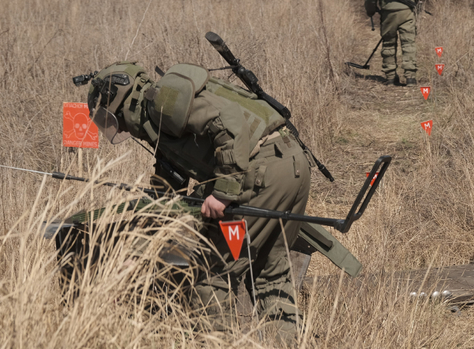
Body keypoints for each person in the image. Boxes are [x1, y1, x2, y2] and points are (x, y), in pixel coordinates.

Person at [85, 61, 312, 342]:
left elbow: (229, 121)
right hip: (291, 167)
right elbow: (168, 189)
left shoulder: (160, 104)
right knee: (269, 272)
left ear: (120, 102)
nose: (117, 129)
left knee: (212, 273)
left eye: (109, 118)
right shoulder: (156, 118)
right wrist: (141, 249)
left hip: (260, 178)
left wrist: (223, 191)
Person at [364, 0, 423, 87]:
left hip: (388, 14)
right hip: (407, 12)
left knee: (389, 44)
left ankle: (390, 77)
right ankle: (410, 77)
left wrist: (371, 11)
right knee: (408, 43)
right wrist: (414, 1)